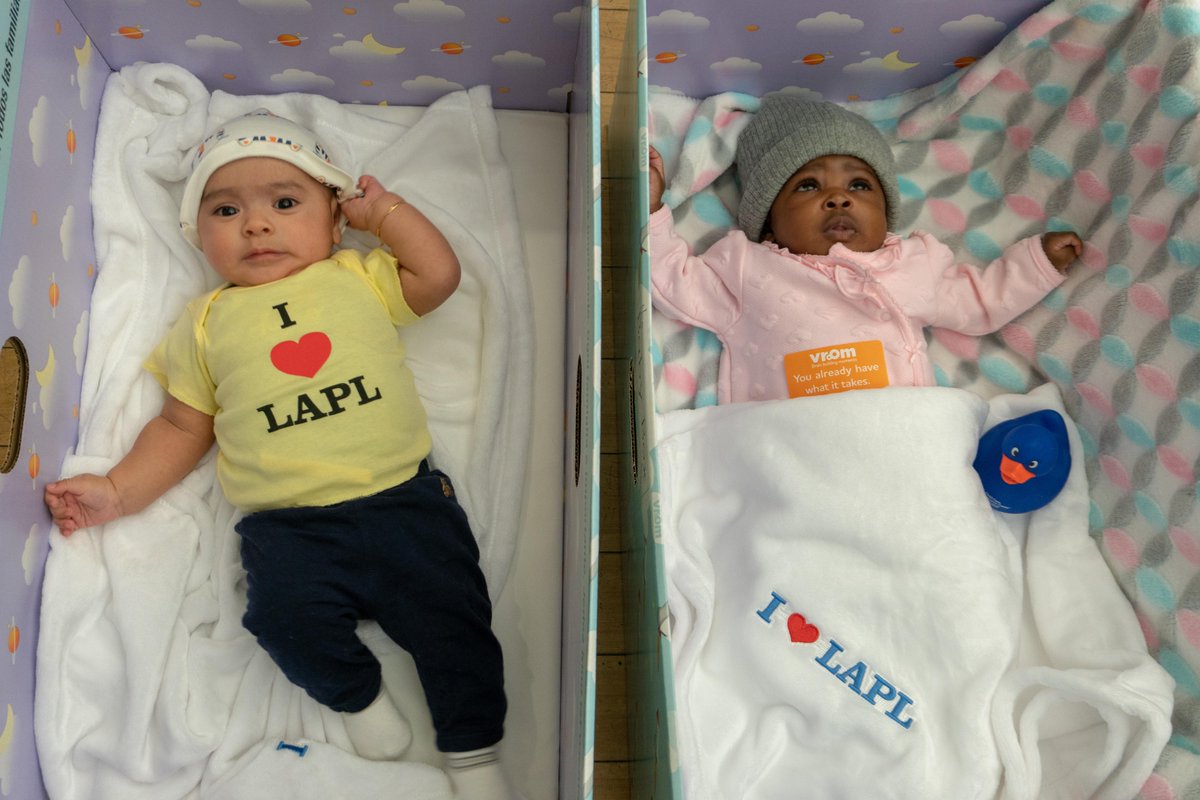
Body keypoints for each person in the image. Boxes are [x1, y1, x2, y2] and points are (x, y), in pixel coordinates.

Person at [43, 109, 518, 800]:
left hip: (403, 502)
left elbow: (438, 275)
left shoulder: (357, 277)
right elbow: (182, 427)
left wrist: (382, 211)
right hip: (288, 528)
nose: (256, 224)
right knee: (279, 621)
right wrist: (116, 491)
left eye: (285, 203)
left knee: (455, 622)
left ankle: (474, 756)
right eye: (226, 209)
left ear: (333, 222)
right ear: (197, 234)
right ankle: (358, 698)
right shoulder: (204, 323)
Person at [648, 95, 1083, 404]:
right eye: (808, 186)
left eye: (859, 184)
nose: (839, 198)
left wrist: (1037, 264)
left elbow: (977, 301)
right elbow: (675, 284)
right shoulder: (748, 267)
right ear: (769, 221)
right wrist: (650, 214)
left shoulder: (911, 264)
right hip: (792, 440)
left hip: (896, 433)